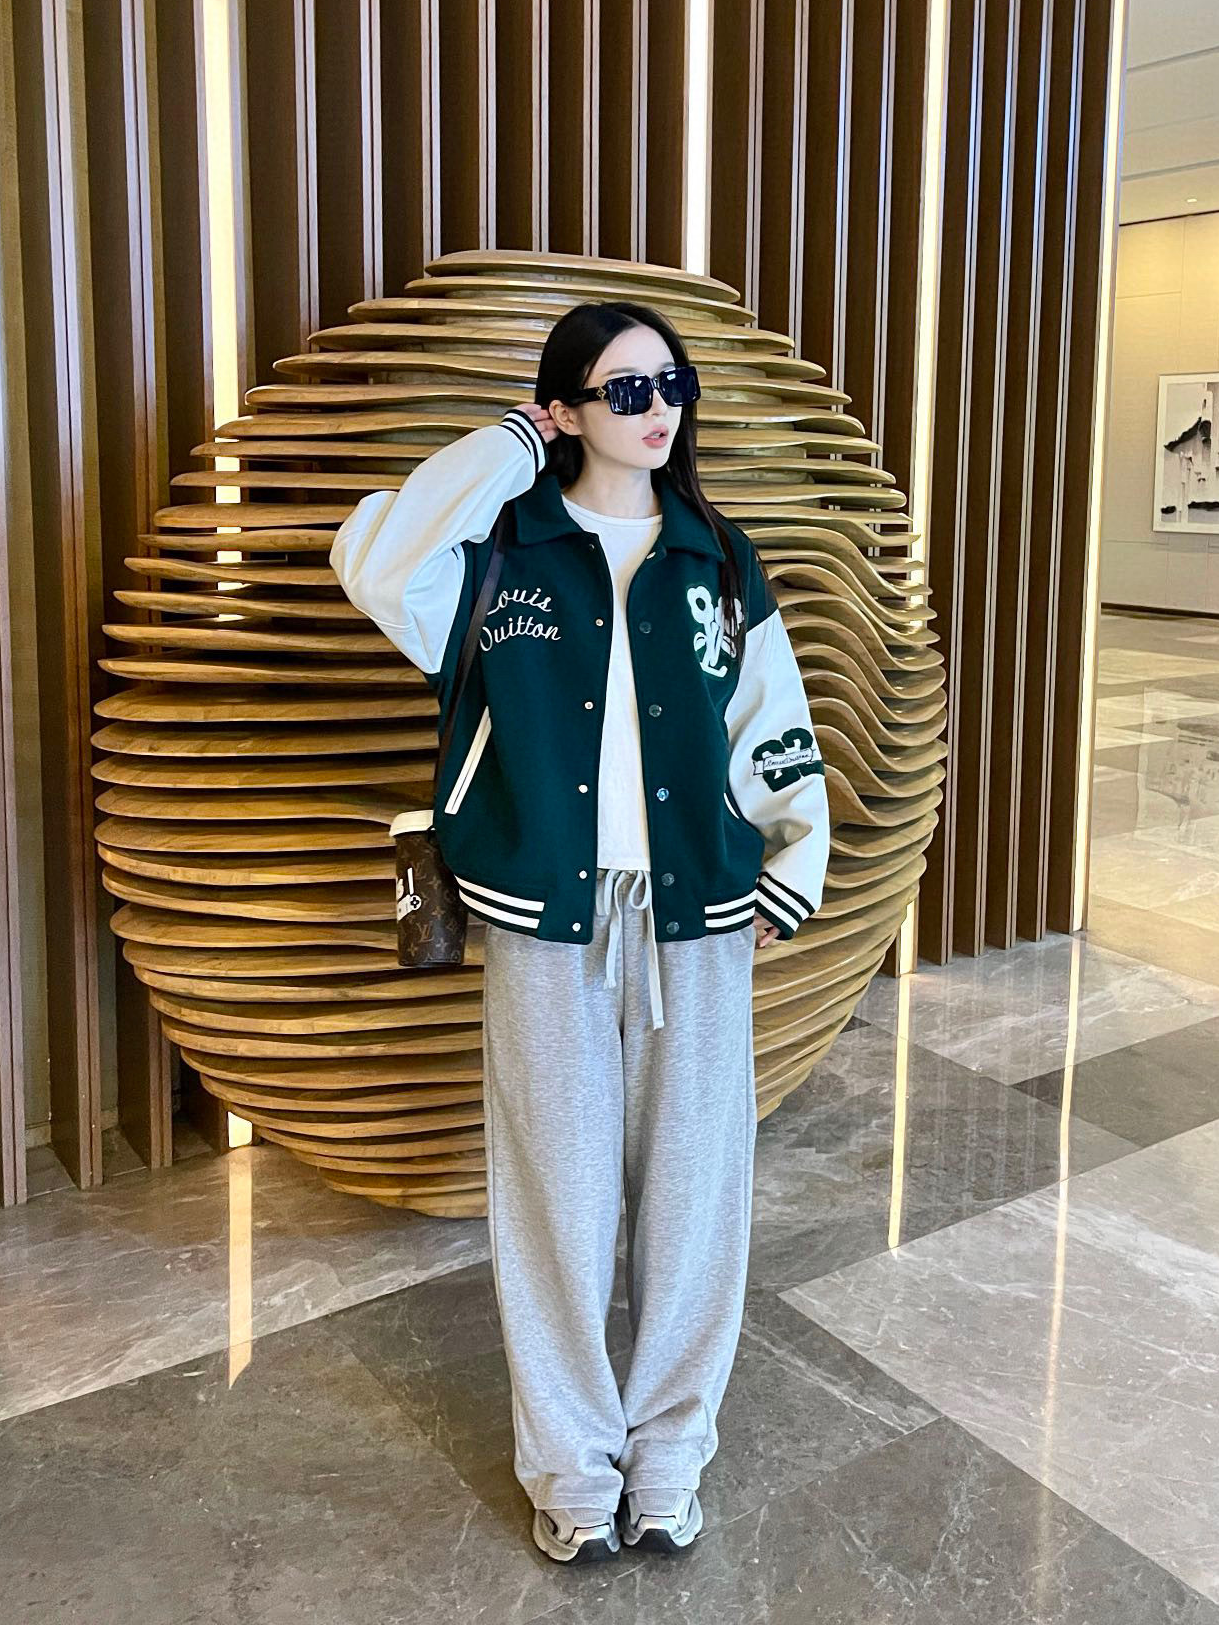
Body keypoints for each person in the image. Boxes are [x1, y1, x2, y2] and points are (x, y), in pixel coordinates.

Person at [329, 300, 831, 1566]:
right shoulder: (500, 554)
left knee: (695, 1199)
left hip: (698, 921)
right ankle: (570, 1466)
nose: (658, 410)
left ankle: (667, 1458)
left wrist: (795, 860)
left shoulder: (716, 553)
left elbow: (772, 718)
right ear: (567, 408)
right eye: (625, 390)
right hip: (547, 927)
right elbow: (373, 562)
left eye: (672, 385)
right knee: (554, 1200)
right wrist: (511, 443)